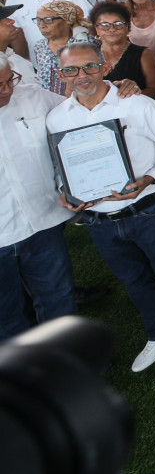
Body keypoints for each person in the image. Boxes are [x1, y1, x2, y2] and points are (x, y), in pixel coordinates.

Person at [46, 40, 155, 371]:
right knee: (134, 280)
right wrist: (65, 190)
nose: (82, 75)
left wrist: (150, 179)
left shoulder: (137, 105)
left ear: (105, 67)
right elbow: (59, 166)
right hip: (99, 219)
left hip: (150, 209)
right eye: (71, 69)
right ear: (60, 74)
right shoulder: (56, 118)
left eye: (90, 66)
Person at [0, 55, 76, 339]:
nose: (7, 90)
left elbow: (78, 110)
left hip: (44, 222)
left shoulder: (32, 96)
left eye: (10, 80)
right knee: (6, 314)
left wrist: (119, 87)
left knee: (58, 298)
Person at [91, 1, 155, 100]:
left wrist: (126, 99)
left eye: (118, 24)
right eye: (104, 25)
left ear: (127, 27)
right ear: (97, 29)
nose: (111, 29)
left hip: (136, 107)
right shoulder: (89, 55)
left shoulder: (145, 54)